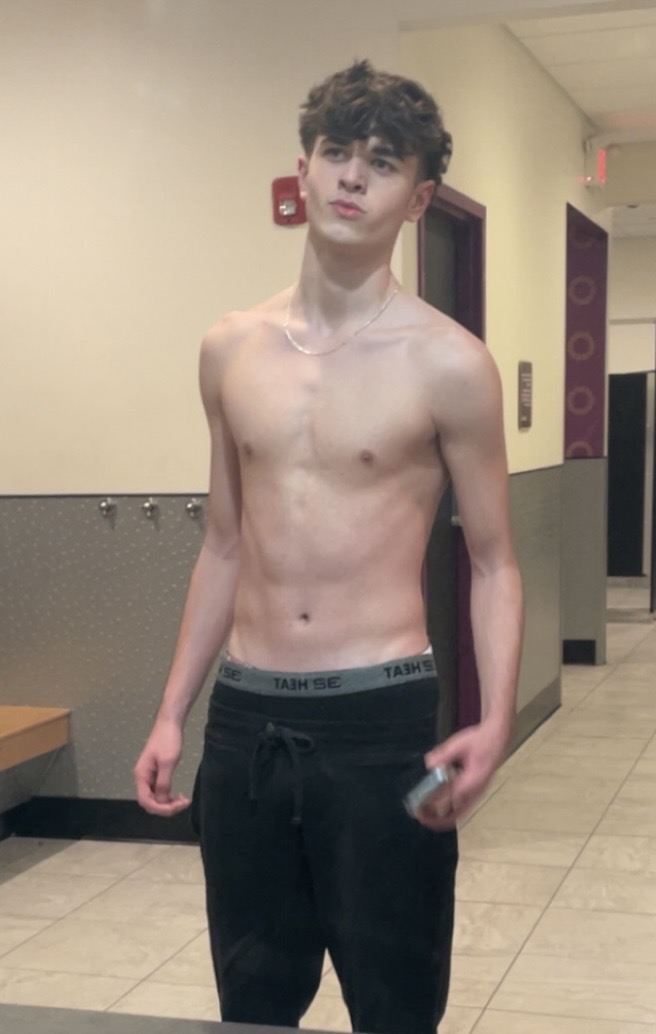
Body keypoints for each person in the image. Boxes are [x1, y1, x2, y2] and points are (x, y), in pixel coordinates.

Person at [135, 59, 523, 1034]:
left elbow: (493, 562)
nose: (353, 175)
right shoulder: (229, 347)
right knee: (253, 999)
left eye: (383, 161)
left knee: (395, 1001)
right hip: (245, 722)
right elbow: (224, 544)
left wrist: (494, 721)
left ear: (416, 199)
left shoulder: (450, 363)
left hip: (380, 725)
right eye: (337, 151)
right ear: (302, 169)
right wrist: (173, 711)